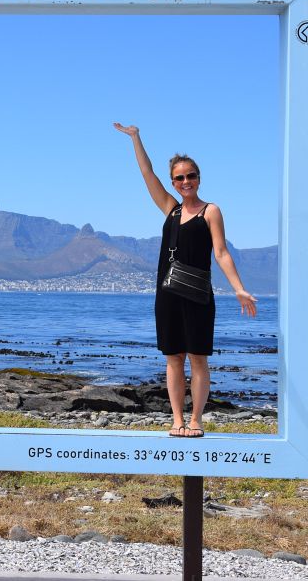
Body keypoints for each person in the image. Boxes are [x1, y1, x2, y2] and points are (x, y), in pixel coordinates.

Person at [114, 122, 257, 437]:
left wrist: (239, 289)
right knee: (173, 358)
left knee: (199, 359)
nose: (185, 181)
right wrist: (136, 138)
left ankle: (196, 420)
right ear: (173, 182)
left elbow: (221, 253)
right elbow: (146, 173)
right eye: (179, 177)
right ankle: (177, 420)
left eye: (191, 175)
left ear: (199, 178)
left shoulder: (210, 211)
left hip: (198, 295)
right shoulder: (170, 210)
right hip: (167, 294)